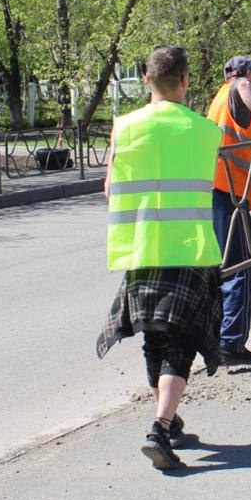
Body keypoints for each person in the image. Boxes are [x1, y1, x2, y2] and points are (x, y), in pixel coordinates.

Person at [96, 46, 223, 471]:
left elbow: (110, 189)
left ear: (146, 80)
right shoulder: (205, 131)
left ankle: (167, 420)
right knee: (181, 343)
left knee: (154, 337)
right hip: (188, 247)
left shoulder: (124, 129)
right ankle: (160, 427)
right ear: (185, 80)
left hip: (140, 247)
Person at [208, 56, 251, 365]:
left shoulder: (220, 98)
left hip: (223, 191)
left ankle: (221, 341)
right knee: (241, 268)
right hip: (228, 196)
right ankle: (230, 346)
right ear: (247, 73)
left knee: (230, 268)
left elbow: (240, 159)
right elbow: (245, 85)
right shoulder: (239, 88)